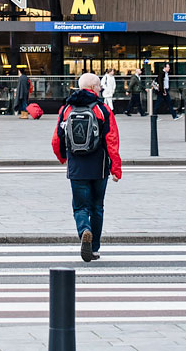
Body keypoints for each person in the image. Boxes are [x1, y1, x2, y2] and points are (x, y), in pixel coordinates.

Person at [52, 72, 122, 262]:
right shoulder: (102, 110)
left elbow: (56, 138)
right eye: (99, 85)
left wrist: (63, 157)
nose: (101, 88)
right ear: (92, 88)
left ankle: (84, 230)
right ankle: (94, 247)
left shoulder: (66, 109)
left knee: (80, 207)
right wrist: (116, 169)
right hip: (99, 167)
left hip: (76, 166)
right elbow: (112, 140)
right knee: (97, 207)